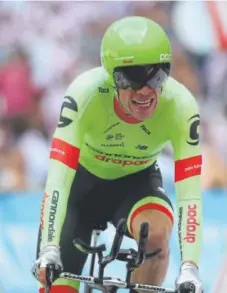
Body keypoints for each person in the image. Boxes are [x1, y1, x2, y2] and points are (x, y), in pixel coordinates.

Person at [32, 16, 203, 293]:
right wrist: (49, 248)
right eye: (132, 78)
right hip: (79, 189)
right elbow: (57, 181)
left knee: (157, 234)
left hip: (136, 185)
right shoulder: (84, 93)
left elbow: (190, 195)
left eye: (158, 75)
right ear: (111, 76)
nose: (146, 90)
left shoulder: (181, 105)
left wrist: (190, 267)